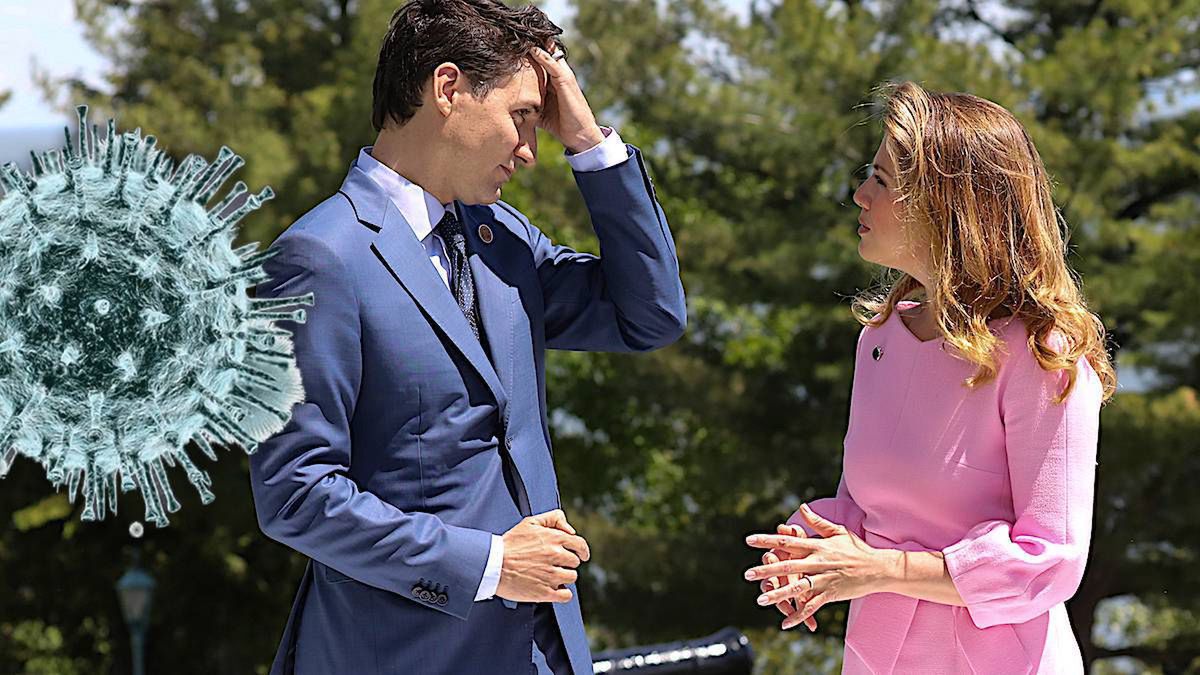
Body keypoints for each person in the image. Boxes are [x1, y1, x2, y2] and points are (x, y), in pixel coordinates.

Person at [247, 1, 686, 673]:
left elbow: (649, 313)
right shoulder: (319, 258)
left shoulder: (502, 239)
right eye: (521, 118)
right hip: (400, 655)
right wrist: (490, 563)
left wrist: (592, 145)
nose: (531, 152)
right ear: (448, 89)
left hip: (542, 653)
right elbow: (296, 493)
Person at [743, 81, 1116, 673]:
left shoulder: (1044, 357)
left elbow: (1050, 562)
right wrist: (811, 546)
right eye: (870, 173)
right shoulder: (880, 341)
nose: (860, 195)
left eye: (883, 181)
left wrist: (881, 569)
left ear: (949, 206)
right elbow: (867, 508)